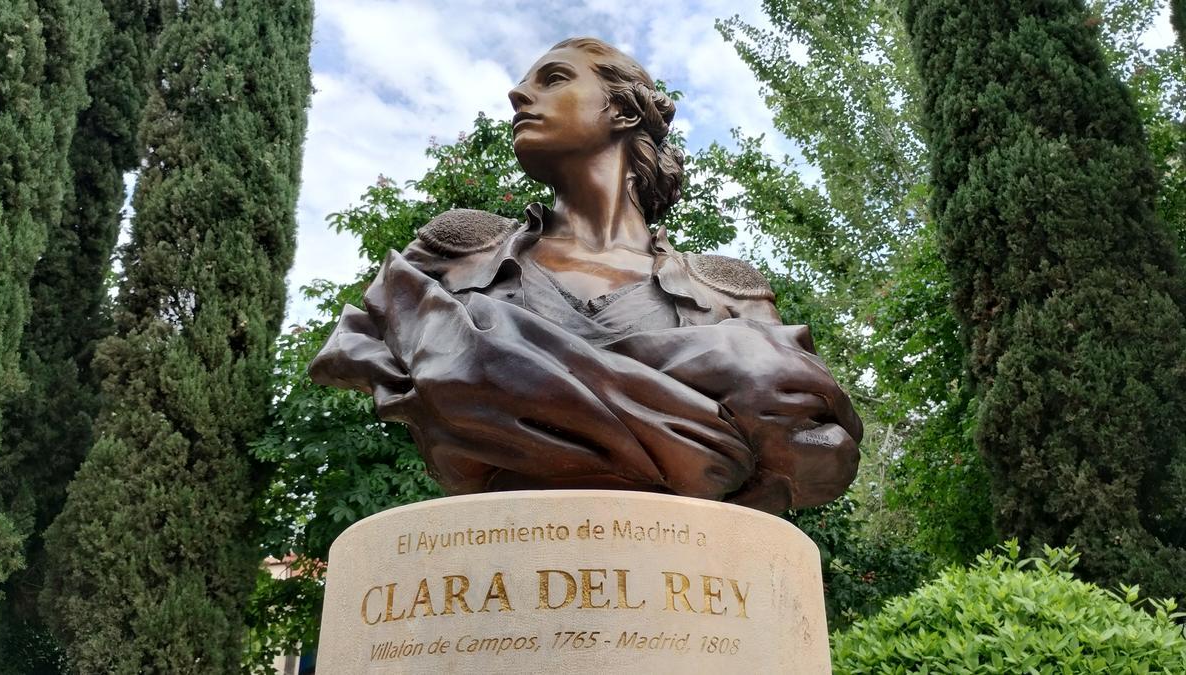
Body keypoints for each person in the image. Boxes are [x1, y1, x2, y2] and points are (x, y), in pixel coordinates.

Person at [309, 37, 862, 514]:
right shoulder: (457, 252)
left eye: (553, 79)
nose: (518, 95)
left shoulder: (726, 288)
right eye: (525, 83)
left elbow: (811, 441)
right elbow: (362, 346)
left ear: (622, 112)